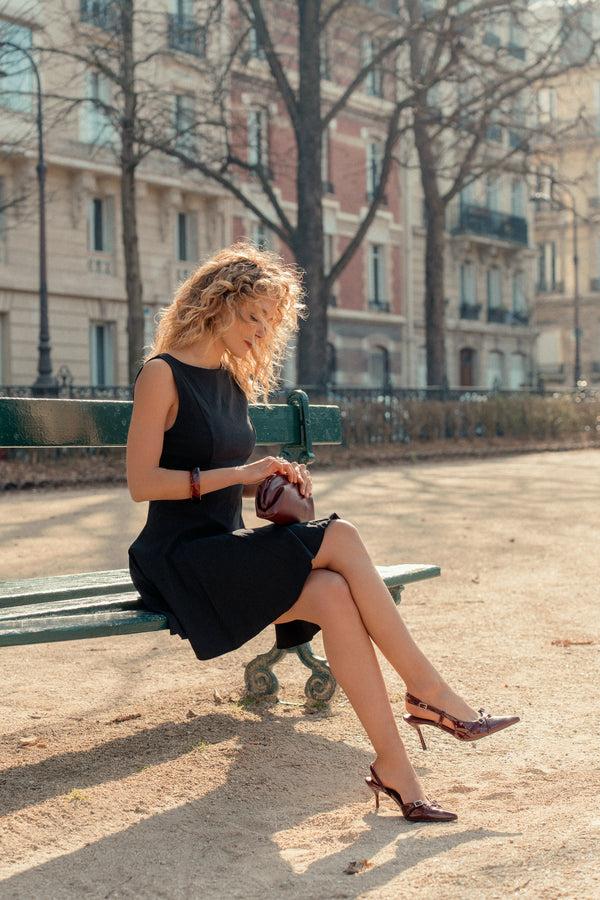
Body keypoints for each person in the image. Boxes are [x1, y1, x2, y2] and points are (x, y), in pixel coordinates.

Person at [126, 242, 519, 824]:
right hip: (178, 560)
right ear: (218, 303)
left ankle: (396, 771)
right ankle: (428, 692)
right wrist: (244, 471)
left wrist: (273, 479)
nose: (262, 330)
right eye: (254, 315)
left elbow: (220, 481)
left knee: (335, 595)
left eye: (270, 320)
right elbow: (142, 482)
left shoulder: (231, 382)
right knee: (343, 537)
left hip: (222, 550)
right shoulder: (163, 375)